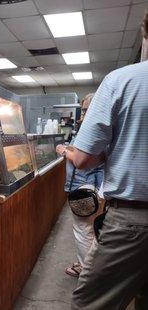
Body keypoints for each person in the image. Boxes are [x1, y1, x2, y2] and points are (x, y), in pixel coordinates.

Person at [26, 11, 148, 310]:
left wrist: (69, 149)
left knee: (89, 303)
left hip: (133, 219)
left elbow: (83, 158)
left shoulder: (124, 80)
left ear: (146, 32)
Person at [56, 93, 104, 278]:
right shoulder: (95, 128)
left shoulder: (93, 129)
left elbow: (81, 160)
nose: (83, 114)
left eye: (86, 109)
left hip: (85, 187)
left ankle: (86, 271)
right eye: (82, 109)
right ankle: (86, 264)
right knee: (89, 229)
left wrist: (63, 151)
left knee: (83, 231)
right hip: (91, 187)